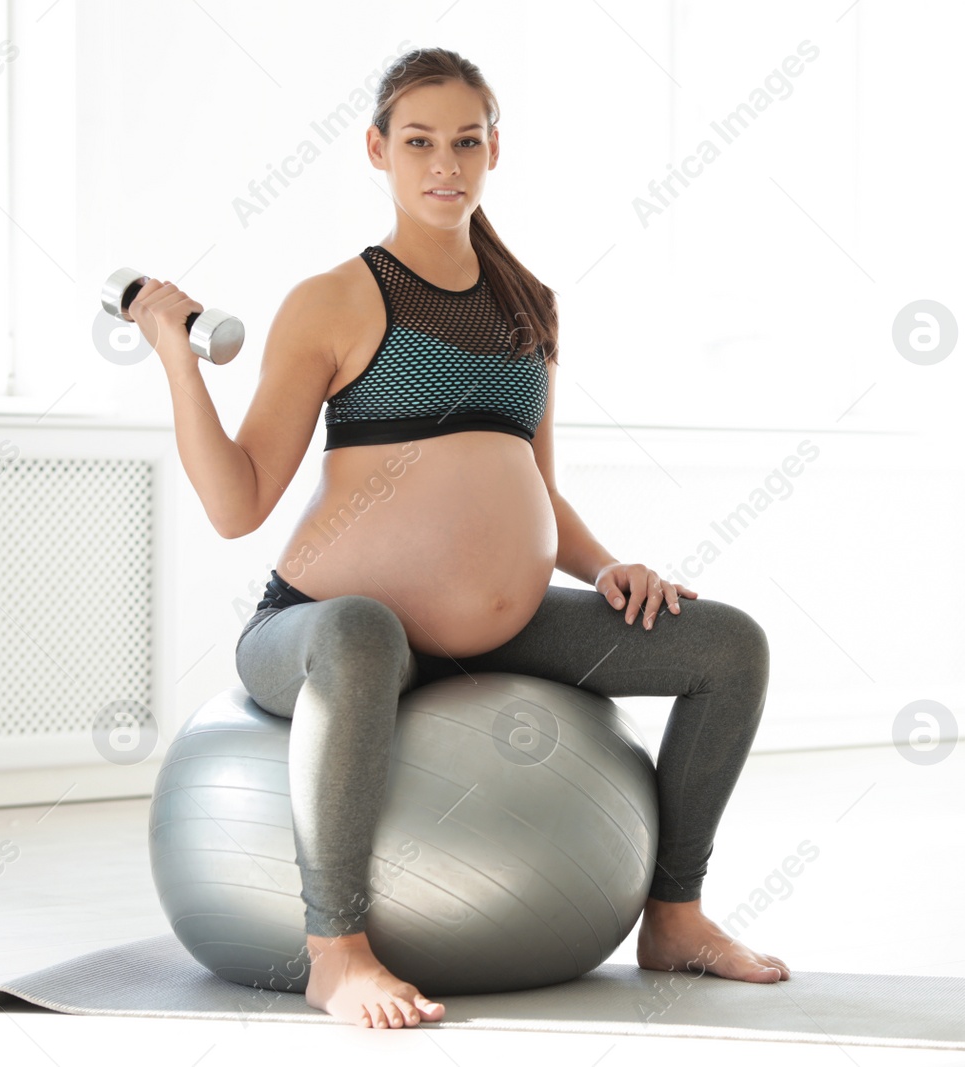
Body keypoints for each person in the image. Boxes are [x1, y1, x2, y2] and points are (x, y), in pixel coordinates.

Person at [132, 45, 788, 1030]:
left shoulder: (531, 307)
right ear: (377, 151)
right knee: (362, 632)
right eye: (420, 141)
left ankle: (675, 914)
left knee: (725, 646)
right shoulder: (335, 300)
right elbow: (240, 501)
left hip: (492, 636)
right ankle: (335, 950)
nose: (445, 163)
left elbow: (537, 488)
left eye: (466, 141)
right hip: (319, 634)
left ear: (494, 151)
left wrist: (607, 565)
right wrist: (178, 363)